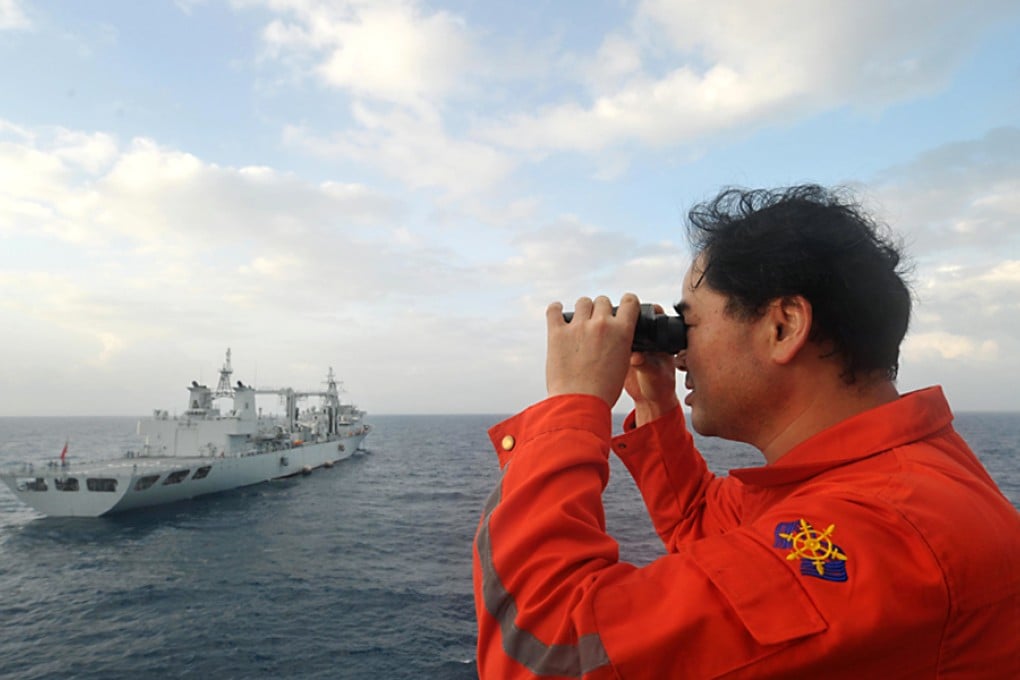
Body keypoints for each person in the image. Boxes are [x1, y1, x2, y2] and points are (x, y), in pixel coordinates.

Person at [472, 185, 1020, 679]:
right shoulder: (870, 480)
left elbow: (544, 652)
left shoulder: (885, 532)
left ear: (782, 326)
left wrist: (573, 406)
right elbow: (703, 525)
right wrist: (657, 402)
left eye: (691, 324)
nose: (680, 353)